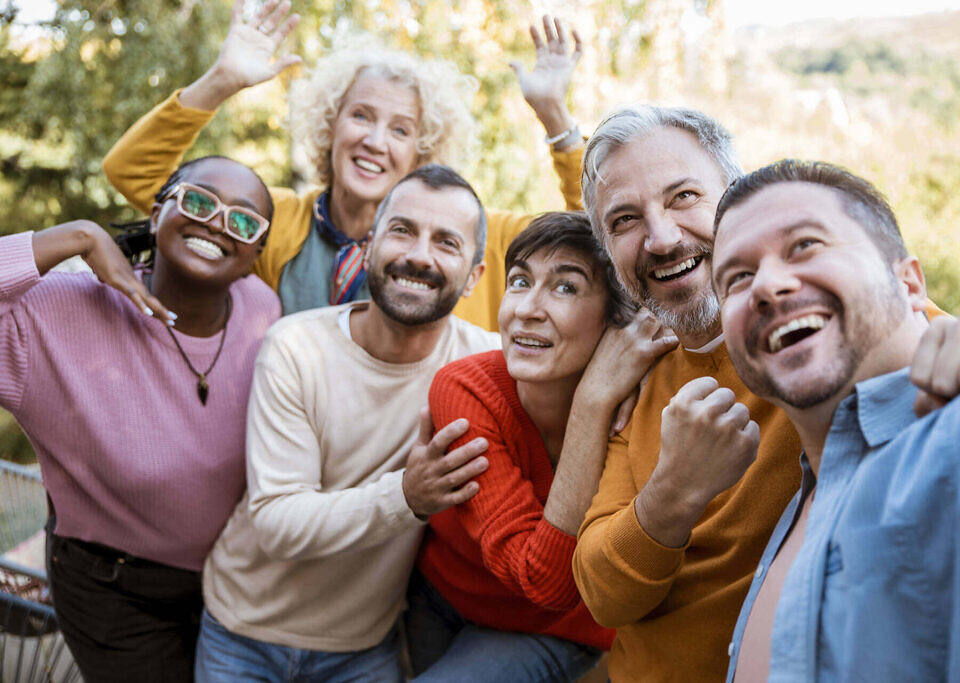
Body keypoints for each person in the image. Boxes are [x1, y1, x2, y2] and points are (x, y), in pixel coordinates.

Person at [570, 105, 948, 682]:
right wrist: (675, 489)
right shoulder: (638, 379)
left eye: (683, 196)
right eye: (624, 220)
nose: (661, 238)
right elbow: (602, 591)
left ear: (735, 196)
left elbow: (922, 332)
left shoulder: (823, 339)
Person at [711, 160, 960, 682]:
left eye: (804, 245)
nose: (766, 285)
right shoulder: (799, 502)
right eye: (737, 278)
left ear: (910, 282)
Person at [194, 164, 504, 682]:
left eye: (446, 242)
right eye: (402, 230)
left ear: (473, 276)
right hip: (243, 635)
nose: (418, 255)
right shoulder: (295, 348)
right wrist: (407, 497)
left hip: (365, 648)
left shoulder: (489, 366)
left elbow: (582, 345)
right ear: (367, 246)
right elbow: (276, 522)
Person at [103, 0, 587, 329]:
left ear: (422, 151)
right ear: (330, 126)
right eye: (361, 116)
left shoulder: (472, 236)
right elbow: (134, 175)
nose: (375, 141)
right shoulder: (275, 219)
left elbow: (595, 229)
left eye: (400, 130)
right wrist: (221, 80)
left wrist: (554, 115)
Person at [0, 155, 281, 682]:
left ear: (254, 255)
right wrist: (78, 236)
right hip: (113, 592)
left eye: (242, 220)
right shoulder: (56, 315)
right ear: (157, 215)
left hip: (230, 587)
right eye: (199, 201)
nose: (217, 223)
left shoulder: (262, 309)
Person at [406, 212, 678, 681]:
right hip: (443, 597)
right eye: (519, 281)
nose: (526, 309)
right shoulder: (468, 387)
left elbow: (545, 582)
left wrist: (593, 403)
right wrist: (592, 402)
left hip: (556, 626)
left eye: (566, 287)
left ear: (619, 320)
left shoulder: (642, 407)